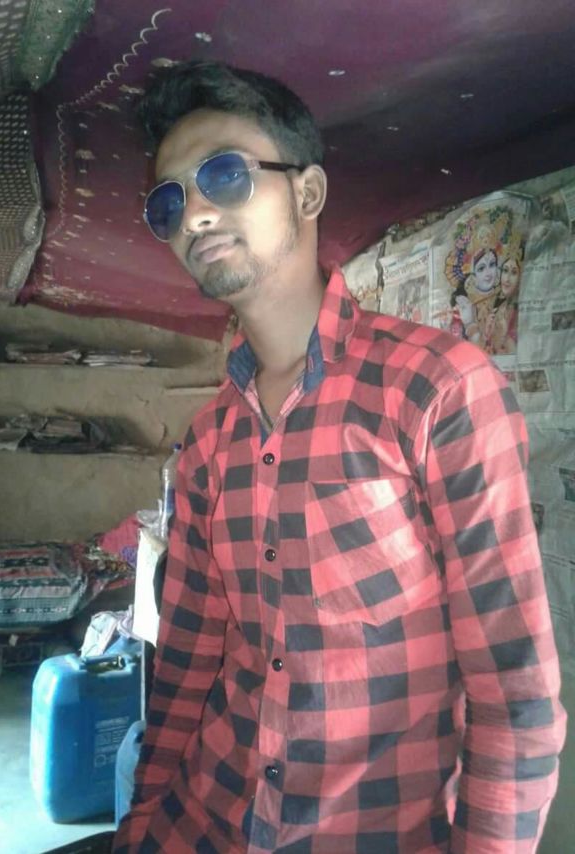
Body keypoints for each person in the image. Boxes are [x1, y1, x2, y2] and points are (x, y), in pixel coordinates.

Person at [114, 60, 565, 853]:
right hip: (202, 822)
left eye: (224, 175)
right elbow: (186, 662)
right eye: (169, 201)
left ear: (308, 192)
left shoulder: (437, 390)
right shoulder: (208, 444)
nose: (195, 214)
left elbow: (514, 695)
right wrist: (142, 822)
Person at [484, 252, 522, 355]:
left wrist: (504, 336)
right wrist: (488, 335)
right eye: (505, 271)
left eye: (514, 273)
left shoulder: (521, 310)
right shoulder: (497, 308)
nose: (507, 279)